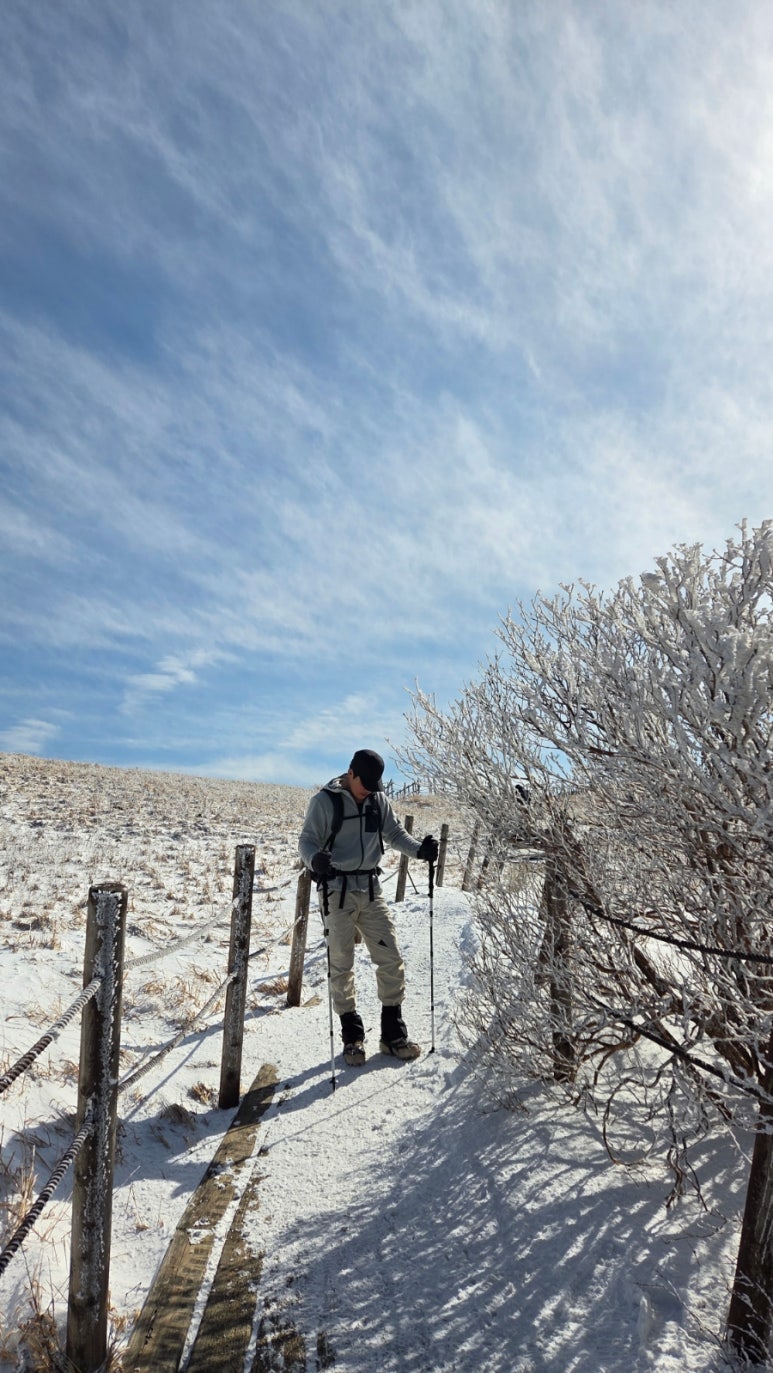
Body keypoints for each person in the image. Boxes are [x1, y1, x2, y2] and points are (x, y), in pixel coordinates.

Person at [299, 748, 438, 1066]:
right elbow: (306, 841)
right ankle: (352, 1038)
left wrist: (420, 851)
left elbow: (394, 833)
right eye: (366, 785)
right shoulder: (325, 802)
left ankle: (393, 1035)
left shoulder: (378, 800)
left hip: (372, 892)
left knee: (390, 958)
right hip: (337, 893)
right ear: (351, 774)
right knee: (341, 965)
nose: (370, 792)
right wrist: (314, 859)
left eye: (376, 786)